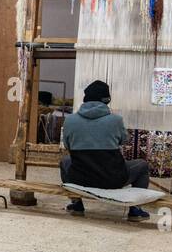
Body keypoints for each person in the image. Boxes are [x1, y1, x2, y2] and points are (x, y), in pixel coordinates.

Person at [60, 79, 150, 221]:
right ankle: (135, 210)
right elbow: (124, 140)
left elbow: (67, 145)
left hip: (81, 179)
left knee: (65, 161)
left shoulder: (70, 120)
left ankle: (76, 204)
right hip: (113, 179)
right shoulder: (116, 120)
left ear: (85, 99)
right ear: (106, 100)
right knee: (142, 165)